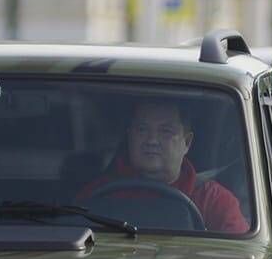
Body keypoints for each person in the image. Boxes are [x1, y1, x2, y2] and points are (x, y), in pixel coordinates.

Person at [76, 100, 249, 234]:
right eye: (142, 129)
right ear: (130, 137)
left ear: (187, 142)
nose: (152, 140)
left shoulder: (213, 201)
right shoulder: (98, 196)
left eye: (165, 131)